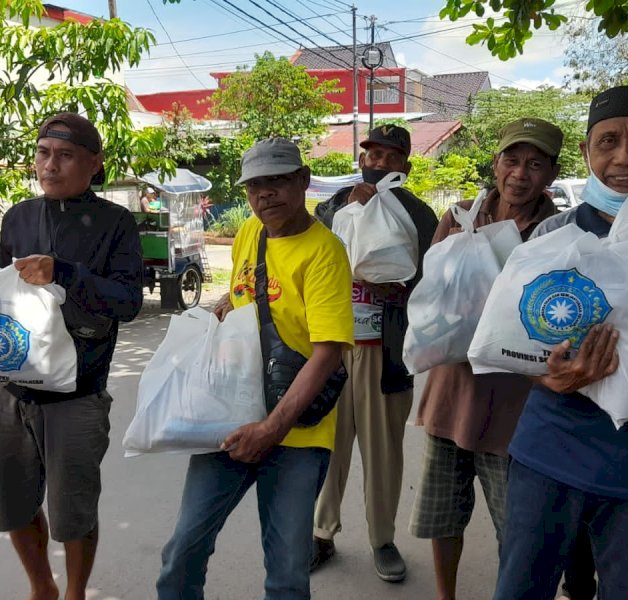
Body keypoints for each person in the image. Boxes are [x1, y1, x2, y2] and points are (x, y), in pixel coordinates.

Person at [156, 138, 354, 600]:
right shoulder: (251, 232)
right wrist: (225, 306)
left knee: (287, 574)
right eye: (254, 186)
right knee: (183, 551)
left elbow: (328, 353)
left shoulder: (324, 252)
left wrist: (270, 429)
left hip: (297, 433)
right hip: (229, 418)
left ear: (303, 180)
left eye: (277, 181)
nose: (265, 194)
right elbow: (246, 296)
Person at [492, 85, 628, 600]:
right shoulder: (553, 235)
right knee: (519, 588)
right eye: (608, 141)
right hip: (550, 449)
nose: (624, 157)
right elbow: (511, 342)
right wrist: (546, 376)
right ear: (587, 153)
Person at [0, 112, 143, 600]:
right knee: (14, 504)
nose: (49, 165)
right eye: (43, 153)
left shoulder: (116, 223)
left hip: (77, 393)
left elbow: (128, 302)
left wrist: (66, 273)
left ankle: (75, 592)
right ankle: (43, 587)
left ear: (94, 164)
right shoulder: (18, 217)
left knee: (73, 510)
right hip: (13, 390)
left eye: (65, 155)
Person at [409, 118, 565, 600]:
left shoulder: (559, 232)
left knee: (516, 527)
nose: (520, 174)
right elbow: (432, 296)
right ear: (495, 164)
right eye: (511, 160)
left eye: (534, 164)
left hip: (517, 407)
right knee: (443, 515)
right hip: (451, 392)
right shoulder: (459, 218)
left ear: (552, 173)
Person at [311, 125, 438, 581]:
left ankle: (382, 540)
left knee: (383, 454)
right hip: (331, 350)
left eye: (390, 157)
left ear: (406, 165)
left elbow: (434, 279)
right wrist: (349, 208)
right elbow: (314, 255)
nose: (379, 163)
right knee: (327, 447)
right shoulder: (334, 204)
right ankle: (321, 533)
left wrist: (400, 290)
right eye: (373, 154)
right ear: (362, 159)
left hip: (386, 354)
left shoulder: (418, 215)